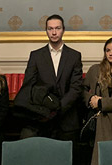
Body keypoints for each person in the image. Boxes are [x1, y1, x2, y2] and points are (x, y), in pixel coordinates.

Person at [15, 14, 83, 142]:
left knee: (68, 155)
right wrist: (44, 111)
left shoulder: (74, 56)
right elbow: (29, 86)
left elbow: (76, 88)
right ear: (46, 31)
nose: (54, 32)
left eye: (57, 28)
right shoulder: (36, 56)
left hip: (67, 121)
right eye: (50, 29)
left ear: (63, 30)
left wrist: (57, 109)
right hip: (41, 119)